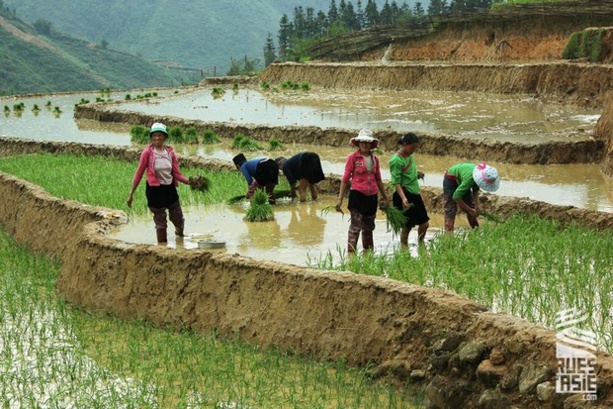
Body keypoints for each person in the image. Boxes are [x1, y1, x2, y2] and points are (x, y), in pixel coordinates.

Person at [127, 122, 191, 244]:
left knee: (178, 218)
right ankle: (162, 248)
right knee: (161, 222)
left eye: (160, 135)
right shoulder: (147, 153)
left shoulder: (170, 153)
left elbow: (176, 173)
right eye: (154, 135)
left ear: (165, 137)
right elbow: (139, 173)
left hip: (170, 189)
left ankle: (180, 237)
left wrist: (189, 182)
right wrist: (131, 194)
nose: (157, 138)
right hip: (154, 190)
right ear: (151, 137)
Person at [335, 129, 390, 255]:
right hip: (357, 195)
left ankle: (368, 253)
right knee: (355, 227)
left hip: (372, 197)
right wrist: (340, 199)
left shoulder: (375, 159)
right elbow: (345, 179)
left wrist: (385, 197)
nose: (364, 144)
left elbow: (378, 179)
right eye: (362, 142)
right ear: (358, 144)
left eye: (367, 142)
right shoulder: (353, 158)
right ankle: (351, 255)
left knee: (369, 227)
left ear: (371, 144)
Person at [389, 132, 430, 247]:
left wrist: (417, 174)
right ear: (405, 144)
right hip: (404, 194)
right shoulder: (396, 160)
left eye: (415, 148)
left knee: (424, 223)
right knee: (407, 226)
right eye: (412, 147)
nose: (413, 150)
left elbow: (407, 173)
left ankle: (420, 243)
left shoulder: (409, 156)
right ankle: (404, 247)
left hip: (414, 193)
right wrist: (403, 198)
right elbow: (396, 182)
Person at [443, 162, 500, 233]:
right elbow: (456, 197)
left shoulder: (478, 177)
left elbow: (475, 191)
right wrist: (470, 210)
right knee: (450, 210)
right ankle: (448, 236)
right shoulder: (470, 179)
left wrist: (477, 206)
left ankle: (476, 232)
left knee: (471, 206)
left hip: (463, 180)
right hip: (451, 178)